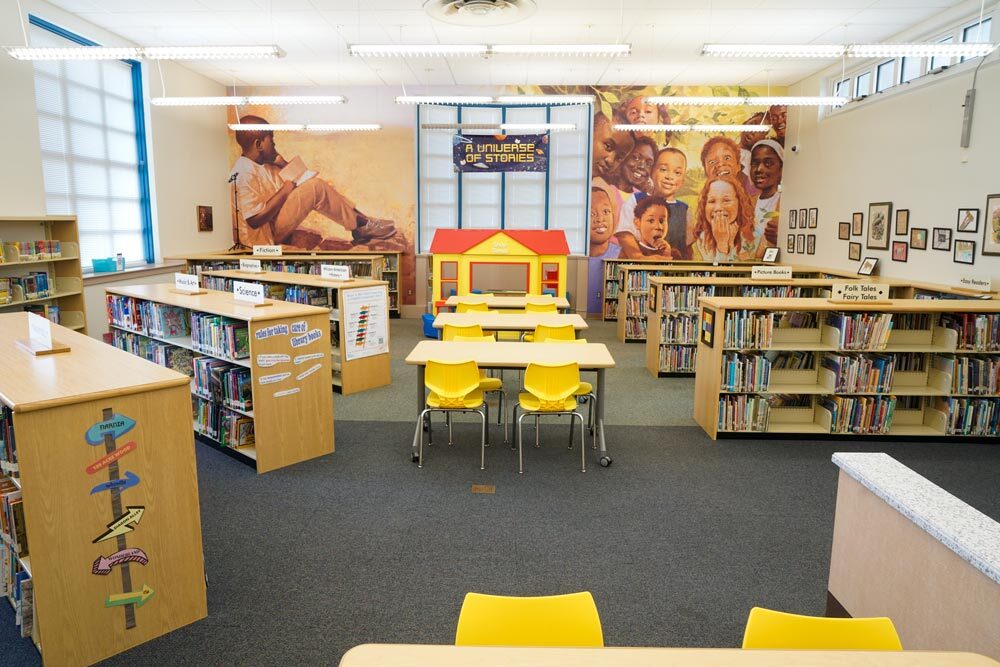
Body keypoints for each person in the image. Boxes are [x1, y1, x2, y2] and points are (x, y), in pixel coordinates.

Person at [228, 115, 396, 249]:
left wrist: (282, 163)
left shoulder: (266, 164)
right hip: (265, 235)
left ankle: (361, 222)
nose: (274, 143)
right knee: (316, 187)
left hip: (274, 223)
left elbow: (302, 181)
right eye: (270, 140)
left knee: (317, 186)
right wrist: (286, 190)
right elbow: (254, 220)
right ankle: (362, 225)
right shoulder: (243, 173)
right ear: (259, 144)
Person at [616, 147, 694, 259]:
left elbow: (687, 248)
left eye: (677, 172)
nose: (669, 177)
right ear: (652, 172)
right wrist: (640, 258)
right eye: (663, 170)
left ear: (682, 180)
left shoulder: (684, 210)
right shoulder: (636, 199)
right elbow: (625, 234)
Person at [690, 175, 764, 261]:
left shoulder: (755, 237)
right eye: (712, 201)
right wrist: (723, 245)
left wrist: (730, 245)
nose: (718, 208)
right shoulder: (704, 239)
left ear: (739, 204)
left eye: (726, 200)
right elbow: (716, 272)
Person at [587, 185, 621, 314]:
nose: (600, 219)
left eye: (606, 212)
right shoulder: (573, 256)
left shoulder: (621, 254)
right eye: (591, 214)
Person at [749, 139, 783, 249]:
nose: (759, 169)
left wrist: (782, 236)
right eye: (755, 163)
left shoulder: (785, 202)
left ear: (781, 168)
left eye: (768, 163)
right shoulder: (748, 203)